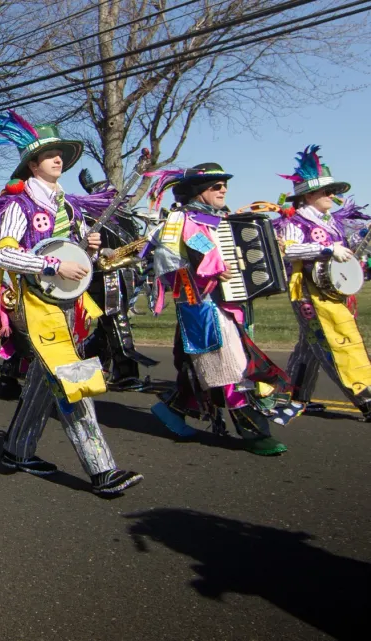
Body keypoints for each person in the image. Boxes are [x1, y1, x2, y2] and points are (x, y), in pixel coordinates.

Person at [0, 110, 141, 495]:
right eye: (49, 154)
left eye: (60, 153)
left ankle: (16, 450)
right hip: (34, 306)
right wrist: (52, 264)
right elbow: (5, 256)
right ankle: (103, 470)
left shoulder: (70, 207)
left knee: (42, 382)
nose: (58, 158)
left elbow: (76, 261)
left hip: (71, 307)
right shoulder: (19, 205)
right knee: (71, 382)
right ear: (32, 164)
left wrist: (89, 251)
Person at [147, 163, 295, 455]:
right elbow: (168, 260)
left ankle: (173, 409)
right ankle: (255, 434)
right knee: (231, 370)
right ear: (197, 191)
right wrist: (208, 270)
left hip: (229, 304)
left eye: (224, 184)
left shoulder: (223, 220)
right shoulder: (181, 219)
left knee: (206, 368)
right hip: (202, 306)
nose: (223, 189)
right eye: (215, 186)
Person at [274, 145, 371, 420]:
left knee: (311, 345)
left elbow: (347, 251)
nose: (333, 196)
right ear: (308, 194)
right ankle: (364, 397)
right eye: (327, 192)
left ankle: (293, 397)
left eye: (334, 192)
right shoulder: (295, 220)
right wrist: (326, 250)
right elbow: (289, 250)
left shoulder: (333, 222)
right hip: (308, 292)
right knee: (335, 342)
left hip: (332, 291)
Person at [77, 168, 159, 390]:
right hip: (103, 278)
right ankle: (126, 374)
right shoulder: (87, 219)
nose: (116, 198)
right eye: (110, 195)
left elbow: (134, 247)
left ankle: (82, 359)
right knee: (117, 323)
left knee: (108, 328)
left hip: (125, 275)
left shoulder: (126, 218)